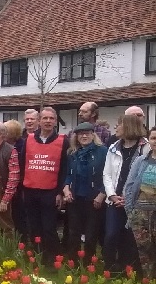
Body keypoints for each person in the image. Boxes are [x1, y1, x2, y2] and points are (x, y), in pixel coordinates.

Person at [20, 107, 69, 268]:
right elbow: (22, 164)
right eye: (45, 118)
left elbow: (64, 168)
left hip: (50, 192)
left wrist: (60, 192)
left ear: (55, 121)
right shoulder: (29, 139)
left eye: (51, 118)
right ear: (39, 121)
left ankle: (53, 260)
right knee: (34, 228)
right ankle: (36, 258)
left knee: (49, 229)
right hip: (30, 191)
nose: (48, 121)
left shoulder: (63, 141)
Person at [103, 113, 148, 274]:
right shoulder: (113, 147)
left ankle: (131, 271)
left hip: (135, 202)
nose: (116, 127)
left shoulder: (145, 147)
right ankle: (109, 270)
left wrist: (129, 198)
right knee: (111, 235)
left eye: (119, 124)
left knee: (131, 238)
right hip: (114, 200)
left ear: (128, 126)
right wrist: (112, 195)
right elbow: (107, 174)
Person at [62, 122, 107, 264]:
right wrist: (66, 189)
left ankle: (89, 264)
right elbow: (68, 175)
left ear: (93, 135)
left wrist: (102, 194)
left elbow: (109, 175)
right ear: (76, 136)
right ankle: (73, 263)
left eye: (87, 133)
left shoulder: (103, 151)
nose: (84, 135)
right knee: (73, 233)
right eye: (81, 133)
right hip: (75, 199)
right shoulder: (72, 153)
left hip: (94, 199)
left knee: (91, 234)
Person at [124, 126, 156, 279]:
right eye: (154, 138)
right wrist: (131, 211)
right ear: (149, 140)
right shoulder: (141, 160)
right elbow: (129, 186)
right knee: (144, 251)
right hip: (140, 214)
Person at [4, 120, 28, 241]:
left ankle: (22, 240)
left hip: (19, 186)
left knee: (19, 215)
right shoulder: (3, 145)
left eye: (5, 131)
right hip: (6, 184)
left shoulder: (22, 146)